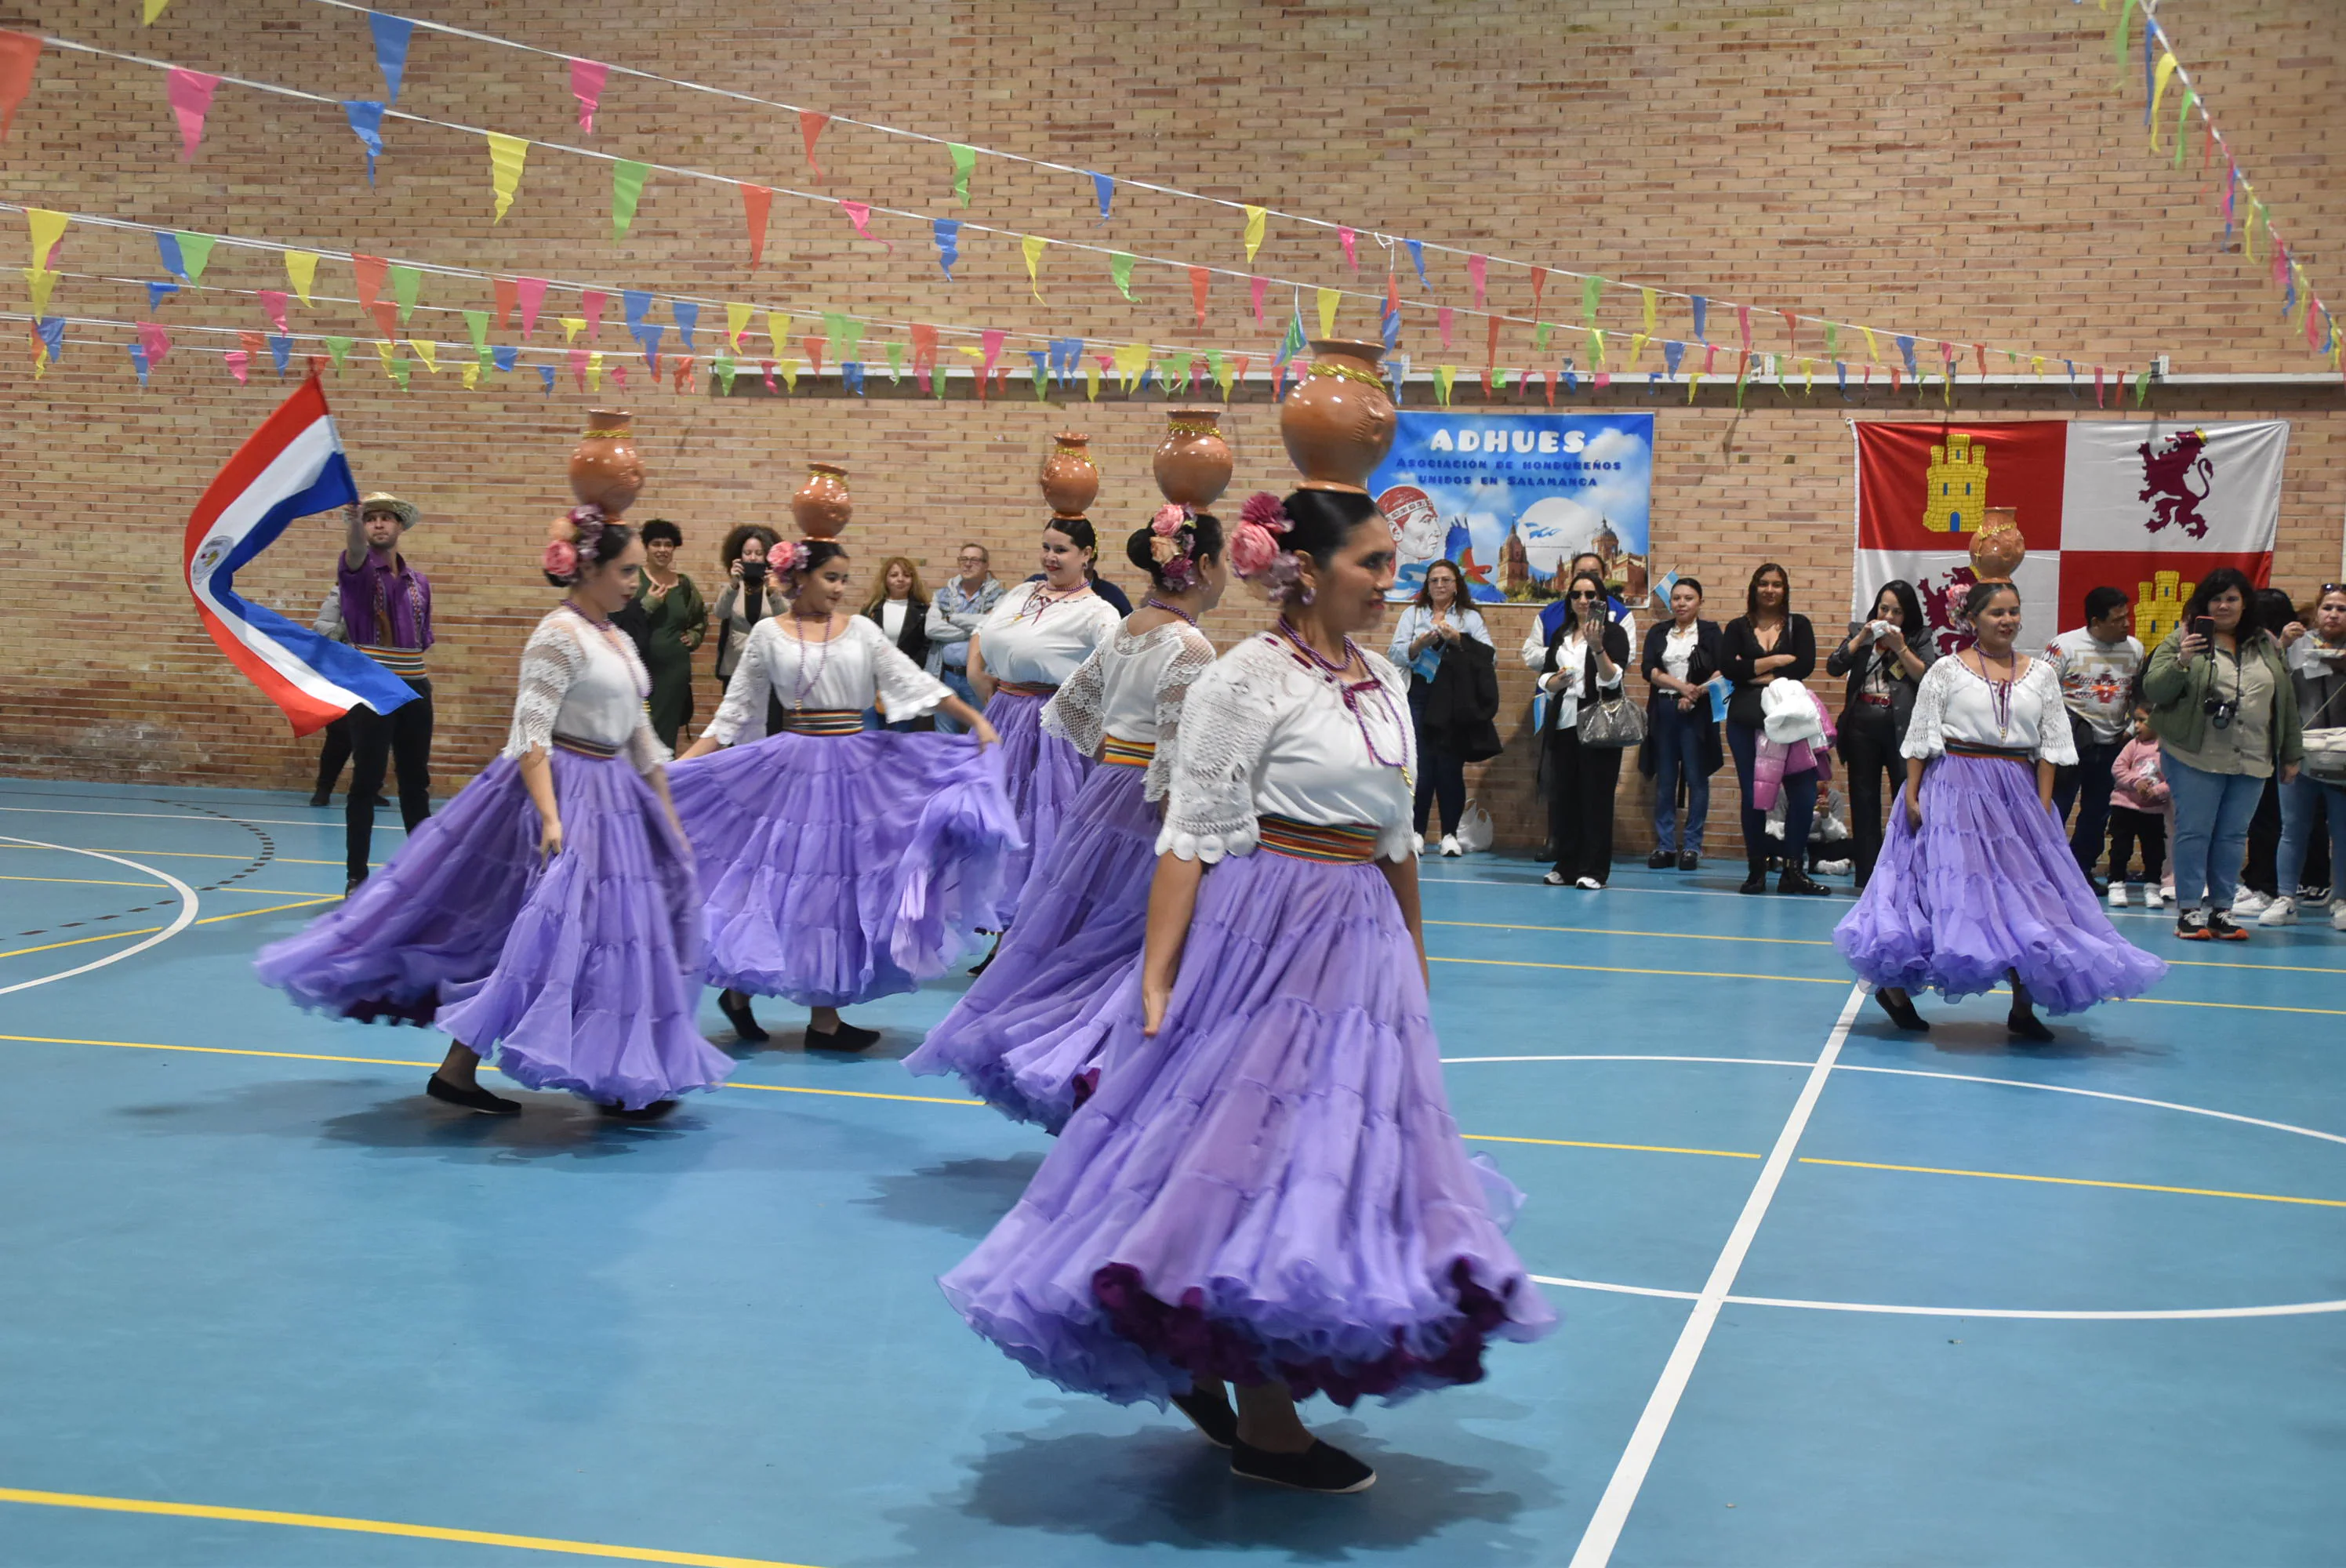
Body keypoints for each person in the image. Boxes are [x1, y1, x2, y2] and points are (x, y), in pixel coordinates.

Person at [940, 488, 1555, 1496]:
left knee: (1329, 1157)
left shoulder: (1386, 677)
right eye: (1369, 560)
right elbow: (1189, 828)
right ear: (1306, 568)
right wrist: (1155, 973)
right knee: (1261, 1150)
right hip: (1265, 925)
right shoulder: (1244, 676)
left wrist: (1411, 947)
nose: (1386, 579)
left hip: (1356, 935)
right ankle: (1263, 1417)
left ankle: (1225, 1362)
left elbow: (1395, 831)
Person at [257, 509, 732, 1120]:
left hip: (613, 796)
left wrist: (666, 816)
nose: (636, 584)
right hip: (568, 792)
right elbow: (531, 735)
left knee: (606, 939)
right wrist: (552, 818)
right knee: (550, 938)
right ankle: (572, 1076)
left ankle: (569, 1072)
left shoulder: (614, 637)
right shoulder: (557, 634)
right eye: (626, 571)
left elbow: (640, 739)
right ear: (587, 568)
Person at [906, 506, 1223, 1128]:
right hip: (1148, 805)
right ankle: (1098, 1075)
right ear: (1204, 566)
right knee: (1135, 944)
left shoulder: (1127, 625)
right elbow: (1178, 758)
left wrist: (1114, 764)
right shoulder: (1190, 645)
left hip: (1103, 793)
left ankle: (1066, 1063)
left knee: (1076, 934)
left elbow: (1075, 712)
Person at [671, 539, 1011, 1051]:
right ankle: (763, 998)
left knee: (835, 890)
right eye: (830, 577)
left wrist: (976, 721)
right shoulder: (768, 634)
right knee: (782, 883)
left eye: (843, 579)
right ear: (799, 578)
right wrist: (680, 769)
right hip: (794, 769)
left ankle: (817, 1016)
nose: (839, 588)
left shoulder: (861, 631)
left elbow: (913, 679)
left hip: (855, 769)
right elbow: (734, 710)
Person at [1836, 580, 2166, 1040]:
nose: (2007, 620)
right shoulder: (1946, 670)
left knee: (2029, 898)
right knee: (1938, 892)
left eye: (2013, 611)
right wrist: (1912, 794)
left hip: (2017, 791)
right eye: (1996, 613)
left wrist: (2043, 803)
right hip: (1952, 785)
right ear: (1972, 620)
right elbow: (1922, 734)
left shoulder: (2042, 674)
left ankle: (2023, 1006)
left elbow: (2051, 744)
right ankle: (1893, 990)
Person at [968, 517, 1124, 927]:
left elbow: (1117, 670)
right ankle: (997, 923)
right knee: (992, 819)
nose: (1050, 558)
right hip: (1002, 714)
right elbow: (982, 633)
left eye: (1061, 550)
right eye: (1046, 548)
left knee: (1040, 829)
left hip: (1051, 727)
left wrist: (1083, 715)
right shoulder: (1021, 591)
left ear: (1086, 555)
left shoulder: (1098, 612)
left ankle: (1028, 931)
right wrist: (977, 673)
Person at [2141, 568, 2304, 941]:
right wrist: (2182, 659)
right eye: (2216, 599)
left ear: (2245, 603)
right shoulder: (2185, 638)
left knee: (2233, 835)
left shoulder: (2265, 644)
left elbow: (2287, 700)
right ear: (2204, 604)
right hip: (2194, 754)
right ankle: (2188, 912)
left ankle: (2222, 911)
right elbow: (2155, 689)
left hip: (2252, 756)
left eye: (2232, 598)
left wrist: (2291, 753)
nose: (2224, 605)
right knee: (2195, 832)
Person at [336, 492, 434, 896]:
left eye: (385, 518)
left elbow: (423, 638)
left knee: (416, 782)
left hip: (414, 684)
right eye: (370, 519)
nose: (378, 524)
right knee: (367, 781)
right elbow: (355, 548)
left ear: (399, 526)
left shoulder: (420, 582)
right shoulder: (358, 570)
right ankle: (357, 876)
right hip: (373, 685)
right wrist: (353, 522)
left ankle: (426, 871)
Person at [1721, 563, 1828, 895]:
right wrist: (1776, 662)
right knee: (1754, 797)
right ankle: (1756, 871)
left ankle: (1792, 871)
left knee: (1804, 793)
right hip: (1745, 720)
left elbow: (1806, 664)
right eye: (1764, 584)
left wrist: (1751, 670)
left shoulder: (1800, 625)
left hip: (1791, 720)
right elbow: (1728, 667)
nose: (1770, 590)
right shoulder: (1737, 627)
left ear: (1785, 590)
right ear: (1754, 588)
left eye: (1777, 585)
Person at [1827, 580, 1936, 889]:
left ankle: (1907, 876)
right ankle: (1867, 878)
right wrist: (1862, 637)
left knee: (1906, 799)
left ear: (1908, 614)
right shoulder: (1860, 633)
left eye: (1897, 611)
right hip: (1862, 723)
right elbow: (1834, 666)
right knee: (1863, 801)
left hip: (1901, 726)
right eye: (1884, 608)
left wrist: (1900, 647)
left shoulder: (1920, 637)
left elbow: (1928, 676)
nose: (1888, 616)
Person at [1388, 559, 1494, 855]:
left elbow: (1490, 657)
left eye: (1446, 580)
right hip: (1419, 696)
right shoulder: (1413, 614)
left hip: (1455, 701)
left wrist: (1458, 639)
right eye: (1434, 580)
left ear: (1457, 584)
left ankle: (1449, 835)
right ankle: (1417, 833)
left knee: (1449, 768)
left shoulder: (1470, 617)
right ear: (1427, 585)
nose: (1439, 585)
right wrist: (1418, 645)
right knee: (1420, 768)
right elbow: (1394, 653)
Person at [2044, 586, 2144, 892]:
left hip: (2113, 743)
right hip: (2067, 746)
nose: (2126, 624)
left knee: (2098, 814)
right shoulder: (2064, 647)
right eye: (2117, 619)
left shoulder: (2135, 649)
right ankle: (2045, 872)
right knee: (2054, 810)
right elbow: (2040, 692)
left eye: (2126, 617)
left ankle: (2081, 870)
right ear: (2095, 621)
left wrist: (2129, 732)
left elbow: (2138, 697)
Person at [1536, 571, 1632, 889]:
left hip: (1599, 725)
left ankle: (1595, 869)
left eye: (1590, 595)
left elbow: (1612, 679)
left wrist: (1597, 647)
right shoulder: (1561, 634)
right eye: (1576, 595)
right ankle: (1567, 864)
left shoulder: (1614, 633)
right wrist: (1556, 681)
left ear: (1601, 600)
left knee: (1596, 798)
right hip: (1564, 721)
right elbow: (1547, 676)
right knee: (1565, 797)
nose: (1583, 601)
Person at [2261, 583, 2346, 931]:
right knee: (2293, 828)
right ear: (2316, 610)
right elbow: (2269, 682)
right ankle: (2285, 898)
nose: (2334, 614)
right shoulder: (2296, 645)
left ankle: (2341, 899)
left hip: (2342, 755)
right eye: (2328, 607)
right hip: (2299, 753)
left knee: (2342, 831)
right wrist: (2282, 645)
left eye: (2342, 609)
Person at [2235, 586, 2312, 916]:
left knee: (2275, 820)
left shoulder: (2291, 647)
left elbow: (2288, 694)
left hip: (2280, 744)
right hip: (2256, 743)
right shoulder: (2256, 645)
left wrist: (2283, 645)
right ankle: (2258, 881)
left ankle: (2269, 887)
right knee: (2261, 818)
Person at [1639, 578, 1724, 871]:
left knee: (1697, 777)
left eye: (1688, 598)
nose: (1682, 603)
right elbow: (1648, 669)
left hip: (1698, 711)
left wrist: (1695, 693)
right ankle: (1665, 846)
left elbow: (1722, 669)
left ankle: (1691, 846)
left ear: (1700, 601)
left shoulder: (1712, 631)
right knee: (1665, 780)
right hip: (1664, 709)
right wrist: (1680, 687)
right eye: (1676, 598)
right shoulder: (1658, 631)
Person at [631, 518, 706, 751]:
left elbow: (700, 619)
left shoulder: (683, 585)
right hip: (639, 669)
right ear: (646, 547)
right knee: (636, 732)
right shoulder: (633, 579)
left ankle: (664, 782)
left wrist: (693, 637)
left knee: (665, 735)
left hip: (674, 673)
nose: (662, 550)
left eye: (668, 544)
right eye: (656, 544)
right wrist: (647, 605)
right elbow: (619, 621)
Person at [926, 543, 1005, 736]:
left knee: (981, 732)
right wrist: (977, 629)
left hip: (979, 677)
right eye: (964, 559)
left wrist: (952, 618)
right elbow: (931, 629)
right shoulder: (942, 595)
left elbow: (995, 627)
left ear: (986, 565)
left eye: (974, 560)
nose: (968, 564)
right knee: (944, 736)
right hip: (945, 676)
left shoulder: (1001, 597)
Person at [711, 524, 787, 722]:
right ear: (739, 556)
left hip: (769, 668)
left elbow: (786, 618)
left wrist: (773, 591)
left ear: (767, 557)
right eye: (747, 553)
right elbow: (719, 612)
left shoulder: (776, 587)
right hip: (735, 667)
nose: (752, 558)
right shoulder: (732, 586)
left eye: (758, 553)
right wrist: (733, 584)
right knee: (735, 726)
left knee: (769, 723)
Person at [2107, 704, 2170, 909]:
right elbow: (2118, 768)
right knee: (2120, 848)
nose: (2137, 726)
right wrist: (2136, 782)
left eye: (2142, 721)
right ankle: (2116, 884)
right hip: (2124, 807)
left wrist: (2158, 791)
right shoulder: (2133, 745)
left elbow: (2174, 779)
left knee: (2154, 852)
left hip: (2152, 811)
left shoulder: (2168, 749)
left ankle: (2152, 887)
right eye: (2135, 720)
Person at [862, 556, 932, 731]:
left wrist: (907, 675)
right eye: (894, 575)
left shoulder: (924, 611)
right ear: (885, 579)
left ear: (913, 580)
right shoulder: (870, 610)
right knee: (871, 739)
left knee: (901, 739)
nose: (900, 579)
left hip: (905, 685)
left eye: (906, 575)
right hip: (872, 685)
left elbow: (926, 648)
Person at [1528, 548, 1636, 652]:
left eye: (1594, 574)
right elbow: (1530, 652)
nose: (1587, 579)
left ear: (1604, 576)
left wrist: (1591, 656)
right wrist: (1562, 656)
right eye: (1580, 574)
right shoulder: (1549, 614)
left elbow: (1626, 656)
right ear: (1571, 576)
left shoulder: (1622, 615)